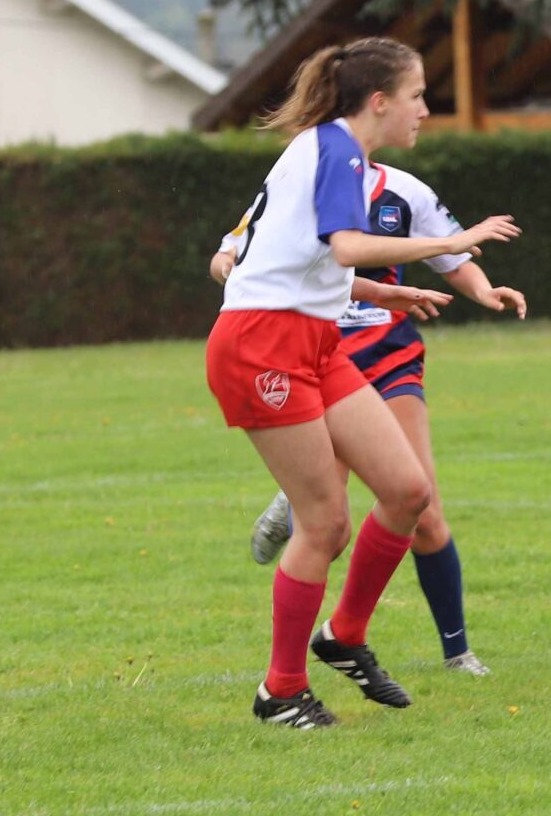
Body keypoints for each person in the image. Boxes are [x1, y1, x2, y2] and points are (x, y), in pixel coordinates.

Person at [204, 36, 509, 729]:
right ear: (379, 101)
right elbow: (344, 246)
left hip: (313, 340)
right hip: (263, 345)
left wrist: (380, 292)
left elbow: (299, 259)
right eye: (417, 96)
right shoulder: (337, 150)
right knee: (326, 522)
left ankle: (344, 636)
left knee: (406, 490)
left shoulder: (333, 150)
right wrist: (447, 243)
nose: (424, 110)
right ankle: (281, 691)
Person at [217, 161, 525, 674]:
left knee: (423, 509)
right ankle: (290, 663)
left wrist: (484, 290)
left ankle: (457, 652)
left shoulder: (404, 190)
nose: (420, 118)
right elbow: (232, 249)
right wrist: (233, 267)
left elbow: (453, 256)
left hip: (388, 358)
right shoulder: (301, 180)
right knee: (327, 531)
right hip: (317, 357)